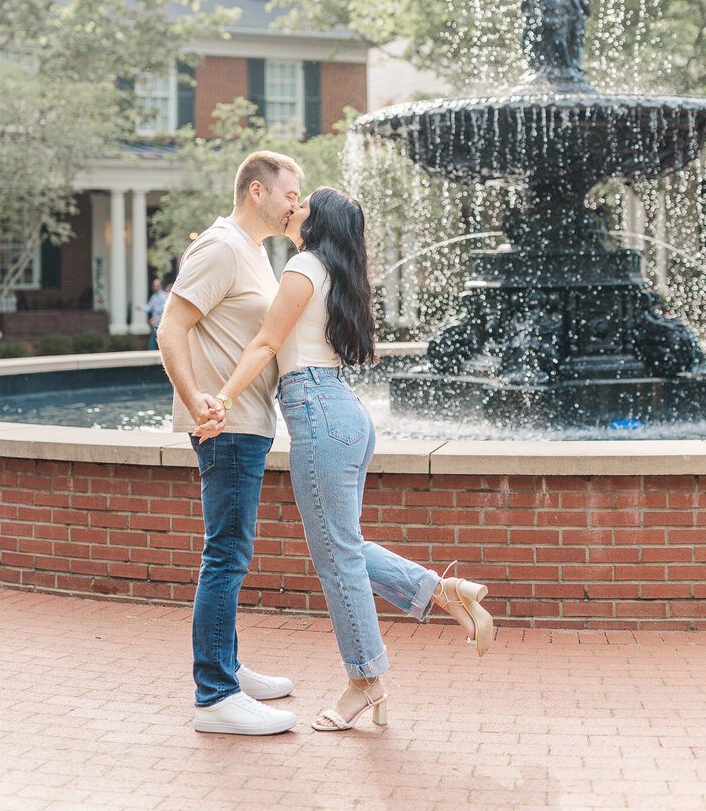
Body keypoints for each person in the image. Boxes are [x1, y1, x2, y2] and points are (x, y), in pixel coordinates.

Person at [194, 186, 494, 732]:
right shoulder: (340, 273)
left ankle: (364, 680)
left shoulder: (304, 265)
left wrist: (223, 400)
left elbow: (264, 344)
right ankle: (443, 592)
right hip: (345, 412)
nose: (295, 206)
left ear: (318, 219)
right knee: (343, 548)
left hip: (318, 413)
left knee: (337, 560)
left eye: (303, 202)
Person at [157, 150, 304, 736]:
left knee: (231, 554)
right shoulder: (221, 246)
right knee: (225, 555)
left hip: (248, 421)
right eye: (290, 193)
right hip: (227, 425)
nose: (296, 203)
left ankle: (229, 669)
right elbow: (171, 326)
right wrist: (197, 403)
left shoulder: (256, 252)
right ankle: (214, 696)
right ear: (256, 192)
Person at [138, 278, 167, 350]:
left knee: (153, 343)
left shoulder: (164, 296)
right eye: (154, 285)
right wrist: (140, 308)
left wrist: (154, 306)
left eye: (156, 285)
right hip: (155, 324)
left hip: (161, 323)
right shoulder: (154, 296)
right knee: (155, 342)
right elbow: (149, 307)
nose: (154, 287)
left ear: (161, 286)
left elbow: (164, 309)